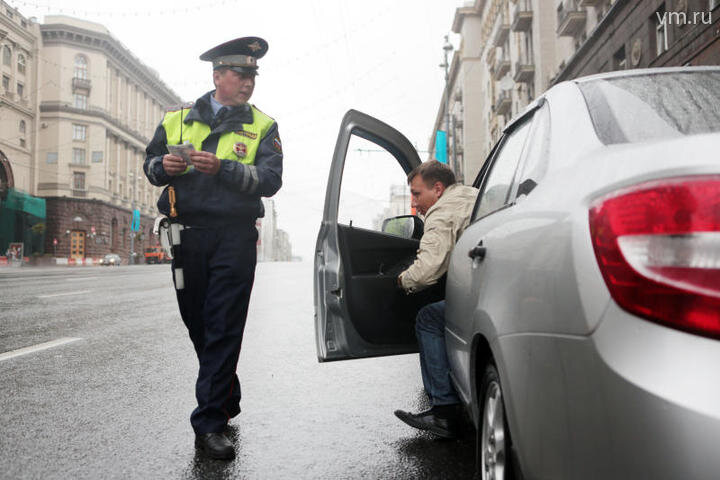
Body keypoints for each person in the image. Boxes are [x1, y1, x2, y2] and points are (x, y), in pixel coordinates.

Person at [143, 36, 282, 460]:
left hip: (234, 238)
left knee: (223, 324)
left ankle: (210, 424)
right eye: (240, 74)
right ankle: (226, 390)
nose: (248, 83)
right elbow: (150, 166)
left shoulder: (263, 125)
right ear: (218, 75)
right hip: (186, 238)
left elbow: (271, 180)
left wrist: (225, 169)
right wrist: (161, 167)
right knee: (197, 321)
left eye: (252, 75)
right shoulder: (177, 120)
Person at [393, 160, 477, 439]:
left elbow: (427, 271)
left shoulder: (441, 212)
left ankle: (443, 412)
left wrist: (402, 280)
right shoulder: (472, 195)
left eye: (417, 194)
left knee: (428, 318)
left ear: (438, 189)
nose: (414, 204)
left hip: (481, 296)